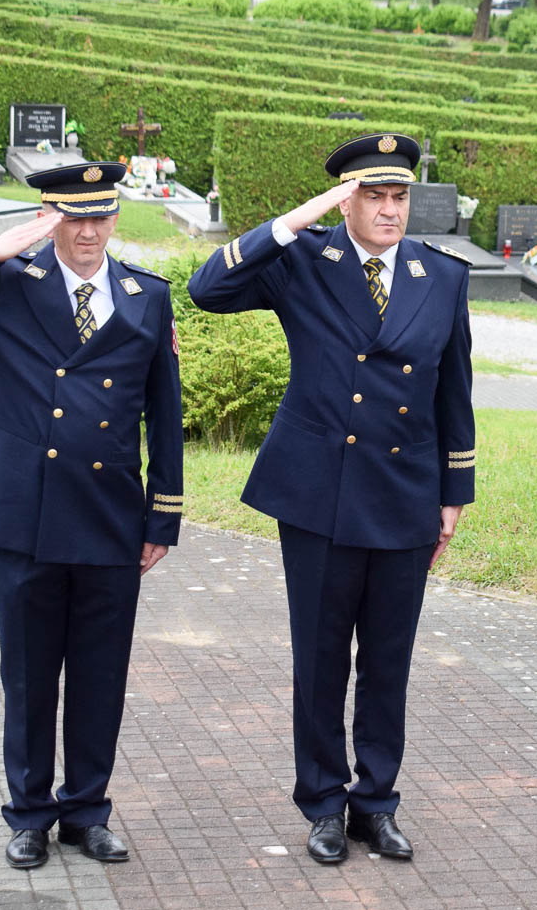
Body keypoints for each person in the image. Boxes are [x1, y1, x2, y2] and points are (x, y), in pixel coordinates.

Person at [0, 162, 183, 869]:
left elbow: (165, 414)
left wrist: (162, 516)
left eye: (100, 217)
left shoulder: (146, 296)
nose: (88, 232)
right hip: (26, 513)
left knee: (100, 675)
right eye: (72, 218)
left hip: (110, 516)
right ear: (48, 220)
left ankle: (86, 813)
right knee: (29, 674)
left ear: (115, 219)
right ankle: (28, 814)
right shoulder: (7, 286)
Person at [187, 132, 475, 865]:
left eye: (399, 196)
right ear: (346, 202)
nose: (390, 210)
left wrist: (455, 492)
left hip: (406, 492)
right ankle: (322, 801)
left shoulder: (442, 276)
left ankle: (376, 802)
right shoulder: (303, 261)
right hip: (320, 492)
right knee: (320, 658)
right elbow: (206, 289)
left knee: (388, 659)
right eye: (374, 196)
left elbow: (455, 391)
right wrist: (295, 220)